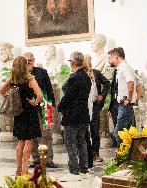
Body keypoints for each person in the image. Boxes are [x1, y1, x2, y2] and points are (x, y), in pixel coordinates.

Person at [0, 56, 43, 176]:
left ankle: (18, 170)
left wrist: (10, 97)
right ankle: (25, 170)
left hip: (18, 113)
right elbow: (40, 95)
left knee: (20, 142)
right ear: (25, 65)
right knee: (29, 142)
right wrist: (34, 102)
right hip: (29, 113)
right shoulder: (30, 78)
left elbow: (1, 91)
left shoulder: (12, 79)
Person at [58, 51, 91, 182]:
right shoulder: (86, 77)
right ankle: (84, 169)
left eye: (69, 61)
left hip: (72, 115)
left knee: (70, 143)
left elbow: (68, 95)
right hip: (83, 114)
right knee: (82, 142)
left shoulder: (74, 77)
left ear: (72, 62)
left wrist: (60, 107)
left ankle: (74, 171)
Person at [23, 52, 57, 168]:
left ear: (34, 60)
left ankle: (48, 159)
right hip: (29, 109)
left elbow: (49, 89)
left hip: (45, 107)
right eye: (26, 61)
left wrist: (52, 105)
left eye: (30, 60)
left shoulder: (42, 72)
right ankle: (36, 159)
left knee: (47, 134)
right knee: (33, 135)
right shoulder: (22, 74)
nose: (28, 63)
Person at [84, 55, 110, 164]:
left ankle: (95, 154)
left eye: (88, 61)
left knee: (95, 130)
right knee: (84, 131)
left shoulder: (96, 73)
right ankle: (86, 154)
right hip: (84, 106)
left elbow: (107, 83)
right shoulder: (80, 74)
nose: (86, 63)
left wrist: (102, 95)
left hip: (95, 106)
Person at [108, 47, 136, 148]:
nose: (109, 60)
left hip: (125, 105)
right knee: (126, 133)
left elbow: (131, 83)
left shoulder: (124, 67)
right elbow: (139, 84)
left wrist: (129, 99)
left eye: (110, 58)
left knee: (119, 133)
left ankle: (123, 157)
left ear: (116, 57)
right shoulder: (123, 68)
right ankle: (126, 158)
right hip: (123, 105)